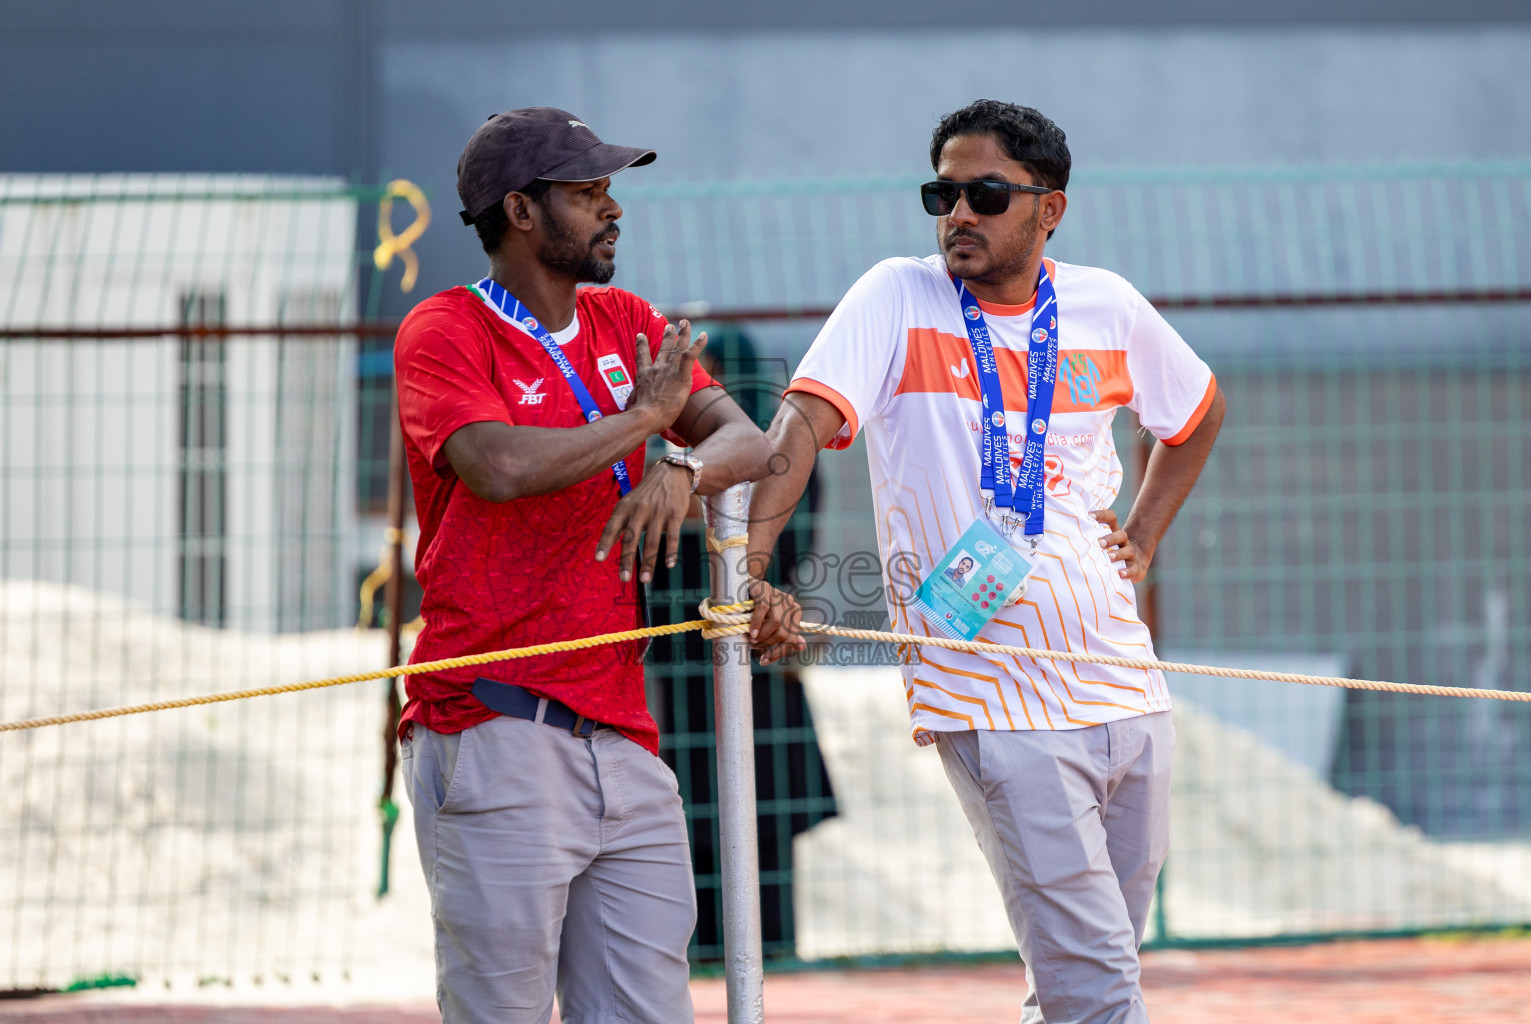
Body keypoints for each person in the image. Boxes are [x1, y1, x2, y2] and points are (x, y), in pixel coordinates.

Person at [745, 100, 1225, 1024]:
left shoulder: (1107, 305)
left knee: (1094, 971)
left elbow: (1196, 412)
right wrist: (753, 567)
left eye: (987, 195)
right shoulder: (896, 294)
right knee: (1098, 985)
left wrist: (1147, 531)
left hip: (1125, 678)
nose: (959, 214)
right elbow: (801, 423)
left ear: (1050, 211)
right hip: (989, 691)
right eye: (944, 192)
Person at [393, 107, 771, 1024]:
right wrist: (645, 423)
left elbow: (745, 437)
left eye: (610, 188)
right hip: (493, 724)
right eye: (588, 190)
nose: (614, 208)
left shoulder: (629, 320)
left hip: (624, 734)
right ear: (520, 211)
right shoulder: (444, 329)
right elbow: (498, 467)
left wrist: (678, 470)